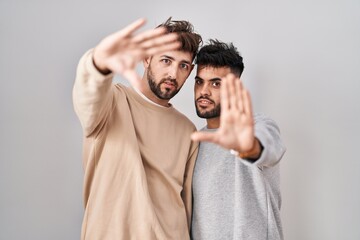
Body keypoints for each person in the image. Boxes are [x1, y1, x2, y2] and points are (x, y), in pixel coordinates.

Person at [73, 17, 202, 240]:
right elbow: (88, 95)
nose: (173, 74)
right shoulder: (111, 102)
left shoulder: (187, 130)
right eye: (166, 60)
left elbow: (188, 208)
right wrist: (97, 63)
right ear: (147, 59)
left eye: (183, 66)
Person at [190, 40, 286, 240]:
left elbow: (270, 147)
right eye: (200, 81)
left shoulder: (256, 126)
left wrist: (249, 148)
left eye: (216, 83)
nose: (204, 91)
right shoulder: (195, 142)